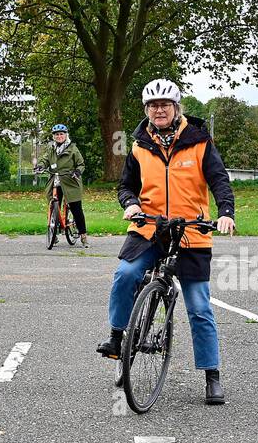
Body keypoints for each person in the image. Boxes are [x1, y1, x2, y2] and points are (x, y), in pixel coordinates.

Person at [96, 79, 236, 405]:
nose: (159, 110)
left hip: (192, 230)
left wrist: (225, 212)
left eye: (165, 105)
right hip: (150, 228)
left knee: (199, 306)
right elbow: (126, 186)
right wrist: (130, 204)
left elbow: (219, 179)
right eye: (153, 105)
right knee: (126, 274)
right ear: (146, 110)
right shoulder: (139, 145)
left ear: (176, 108)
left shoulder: (199, 141)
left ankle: (211, 374)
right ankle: (118, 338)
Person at [42, 124, 89, 247]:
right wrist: (41, 166)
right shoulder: (51, 148)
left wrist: (77, 171)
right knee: (53, 204)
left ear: (66, 135)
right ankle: (54, 232)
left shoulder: (73, 148)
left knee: (76, 207)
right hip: (55, 179)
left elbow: (81, 164)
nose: (59, 136)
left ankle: (83, 235)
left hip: (70, 180)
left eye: (61, 134)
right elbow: (45, 160)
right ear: (53, 136)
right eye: (56, 134)